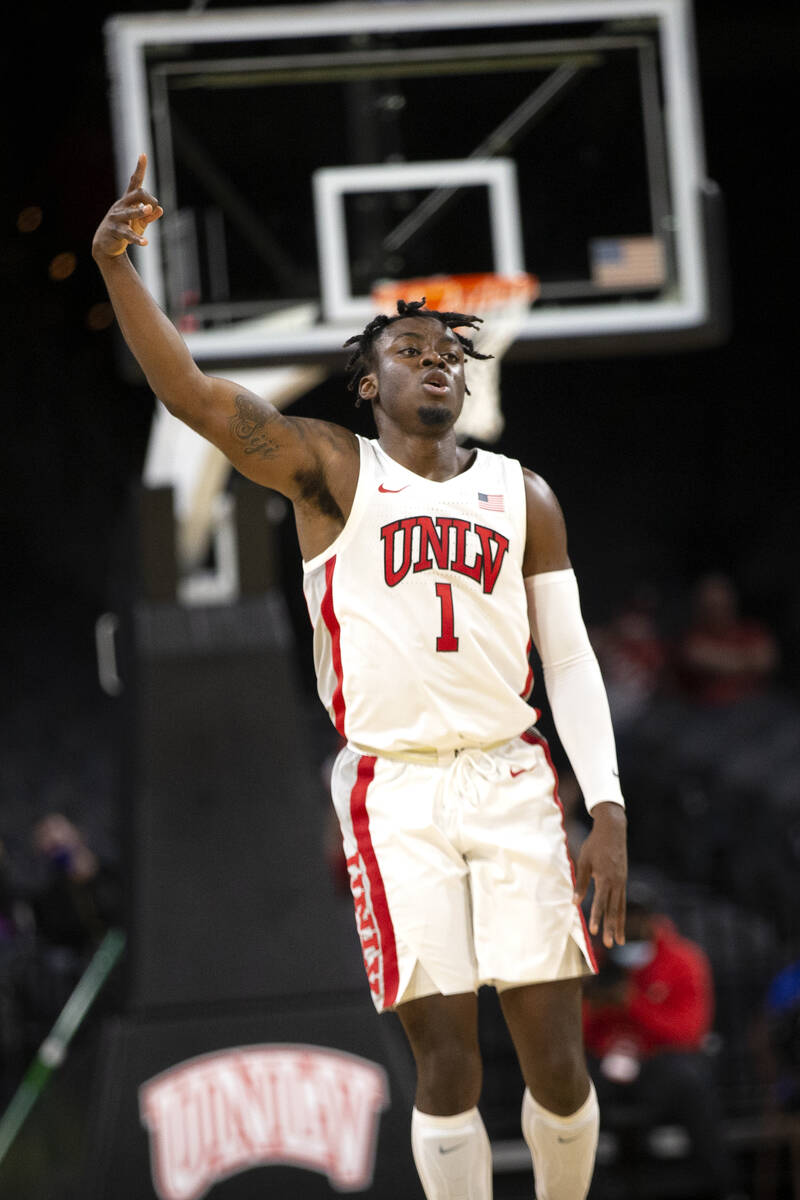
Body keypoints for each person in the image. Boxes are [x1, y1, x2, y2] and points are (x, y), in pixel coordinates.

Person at [93, 155, 628, 1200]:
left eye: (446, 354)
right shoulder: (330, 471)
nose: (434, 363)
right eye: (409, 351)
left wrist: (602, 802)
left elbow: (566, 657)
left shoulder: (526, 494)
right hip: (393, 789)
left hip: (513, 776)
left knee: (556, 1065)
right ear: (367, 383)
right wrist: (118, 269)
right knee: (447, 1063)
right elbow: (194, 397)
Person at [583, 881, 736, 1199]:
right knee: (575, 1093)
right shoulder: (596, 962)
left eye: (635, 916)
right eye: (619, 917)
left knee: (689, 1081)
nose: (627, 925)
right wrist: (598, 1007)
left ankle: (722, 1188)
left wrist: (632, 1004)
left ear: (652, 918)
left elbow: (688, 1032)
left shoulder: (683, 959)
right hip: (607, 1067)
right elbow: (577, 1031)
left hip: (661, 1068)